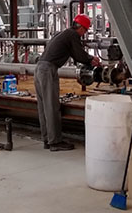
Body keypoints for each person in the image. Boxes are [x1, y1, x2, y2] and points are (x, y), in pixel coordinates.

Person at [34, 14, 100, 151]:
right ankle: (55, 142)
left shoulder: (62, 34)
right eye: (85, 30)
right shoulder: (72, 35)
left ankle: (47, 139)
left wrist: (86, 59)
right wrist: (91, 59)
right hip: (48, 70)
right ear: (81, 27)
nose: (84, 34)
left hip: (39, 69)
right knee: (52, 107)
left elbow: (75, 54)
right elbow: (79, 55)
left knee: (43, 107)